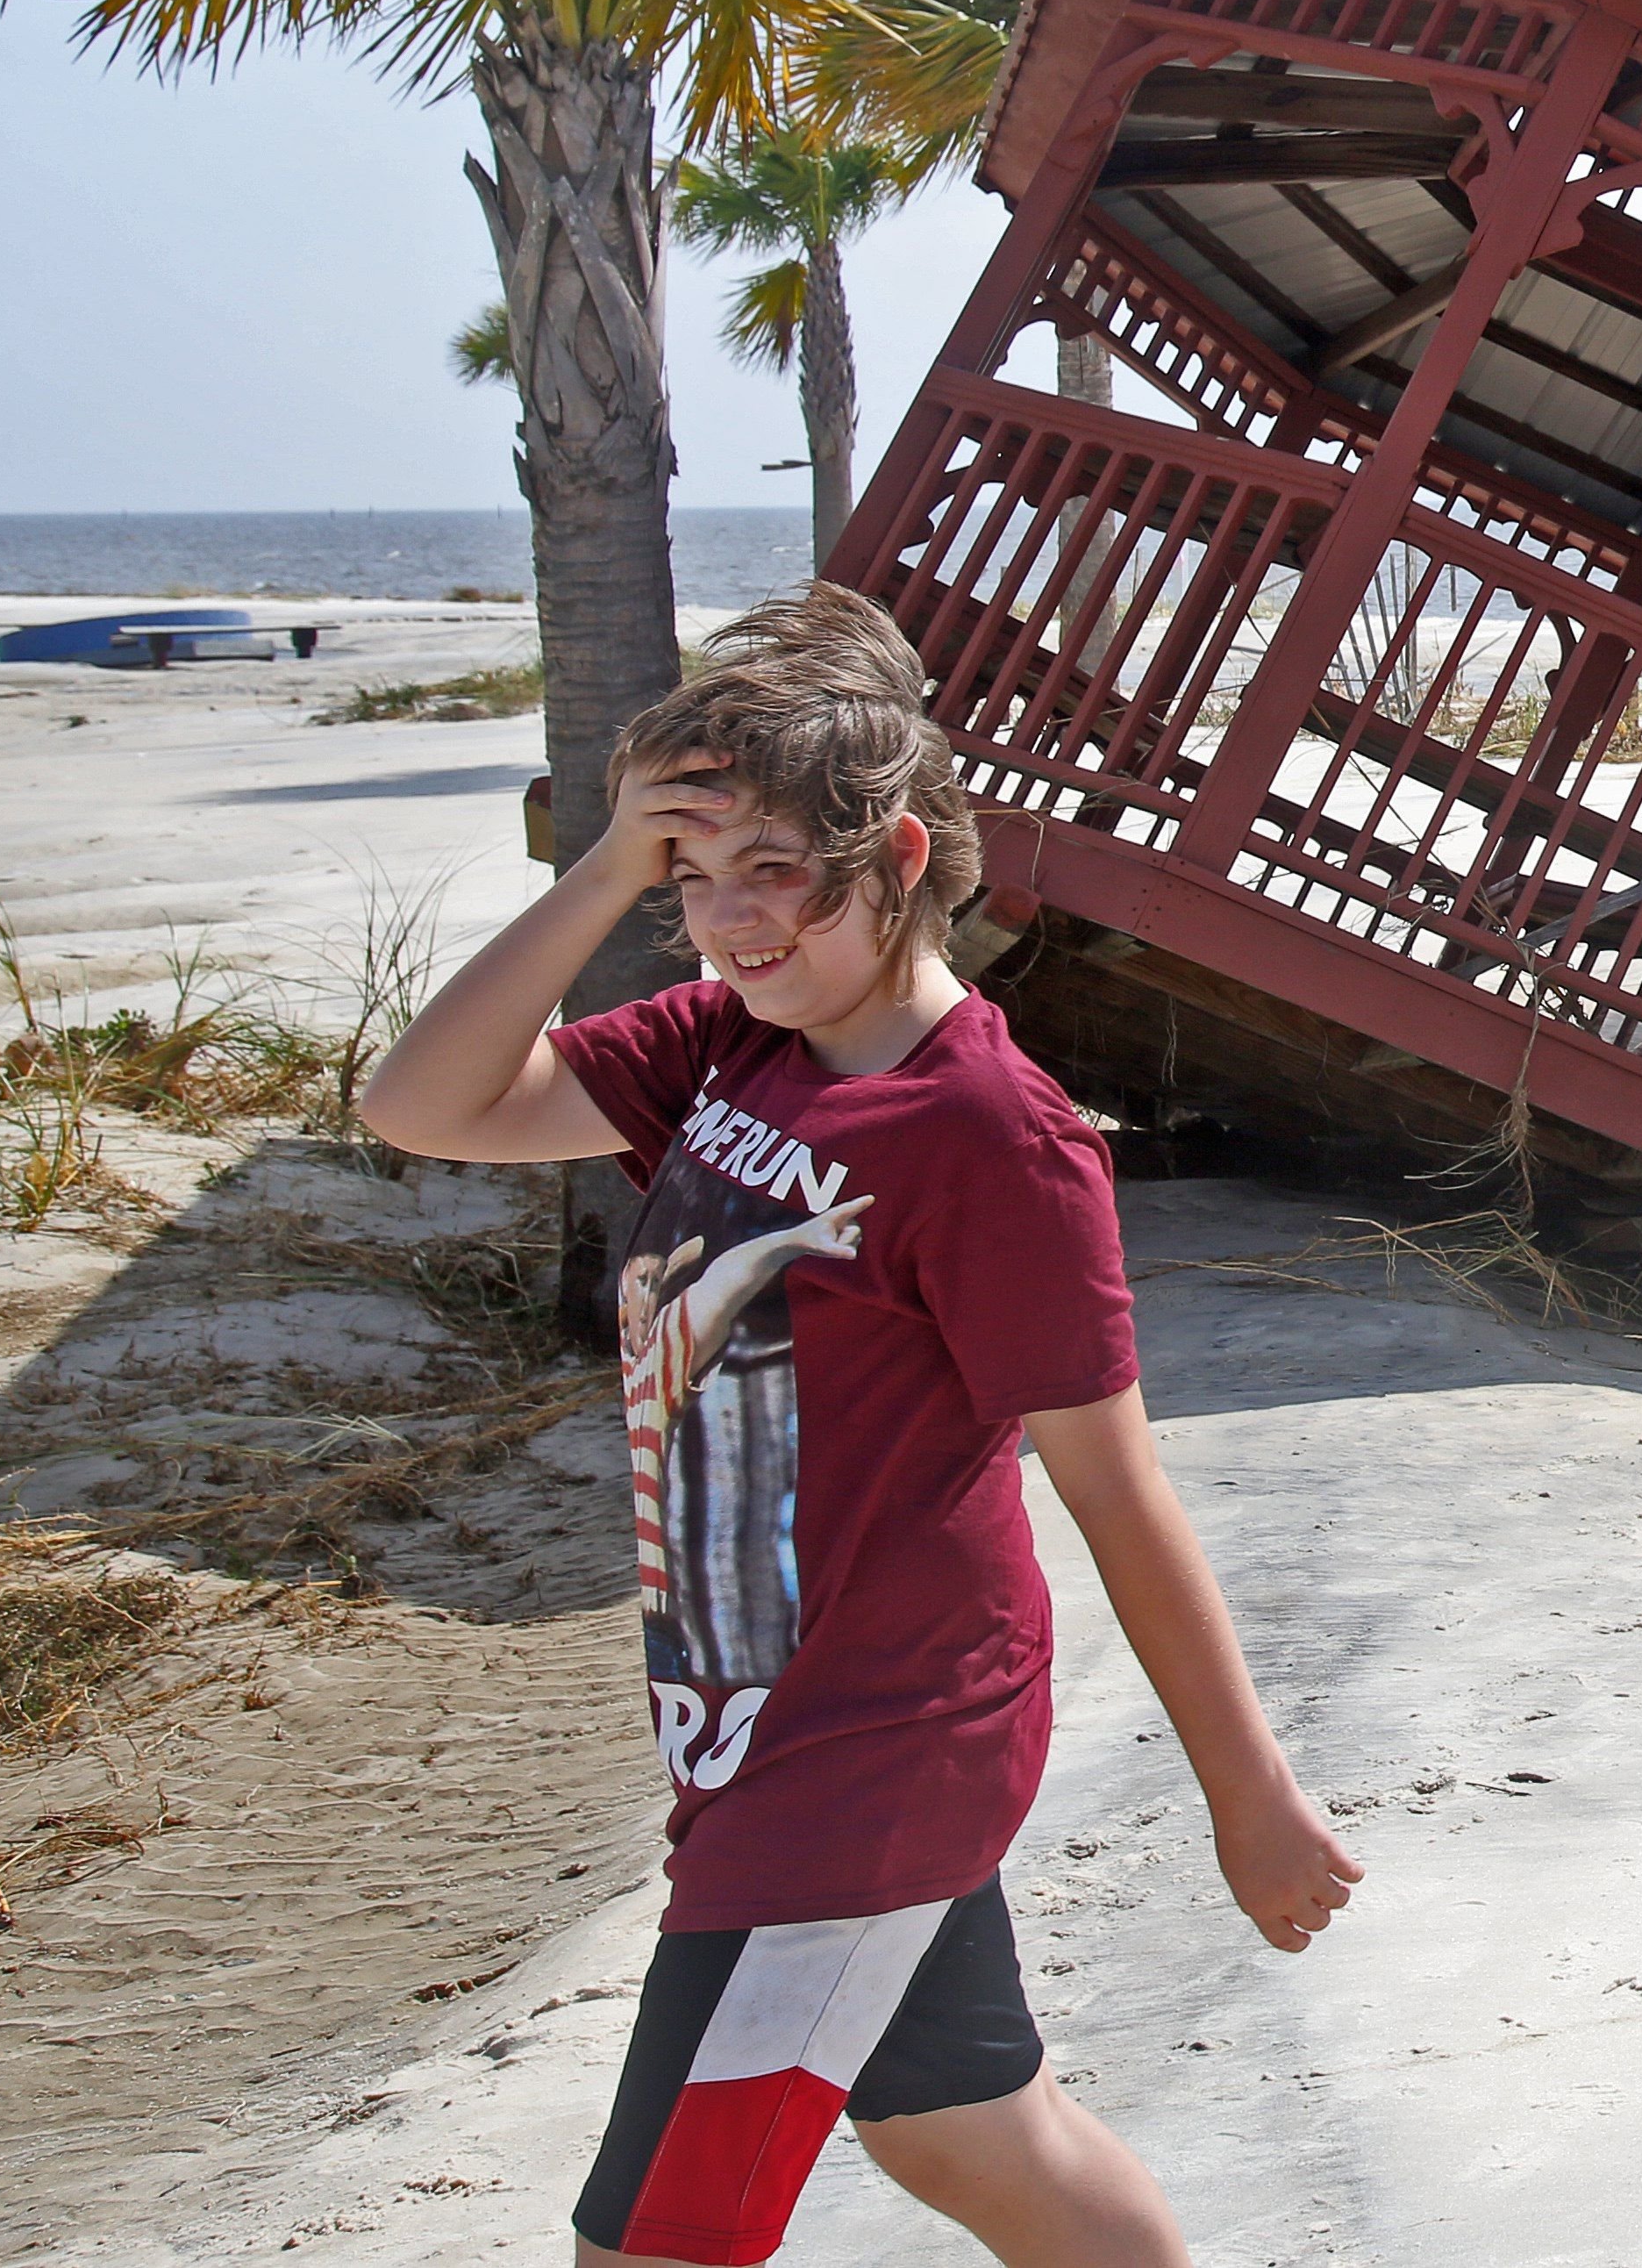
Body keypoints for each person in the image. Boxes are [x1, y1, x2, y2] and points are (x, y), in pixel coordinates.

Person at [364, 584, 1360, 2267]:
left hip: (864, 1762)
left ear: (898, 861)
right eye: (695, 877)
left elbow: (1117, 1491)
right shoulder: (735, 1044)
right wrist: (607, 870)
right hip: (762, 1731)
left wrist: (1246, 1795)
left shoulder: (987, 1132)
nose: (728, 923)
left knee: (659, 2240)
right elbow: (423, 1104)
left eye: (776, 877)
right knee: (988, 2145)